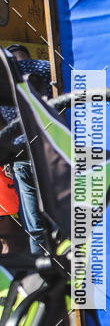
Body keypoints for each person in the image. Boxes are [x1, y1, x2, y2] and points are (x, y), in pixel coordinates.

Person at [0, 45, 51, 255]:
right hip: (47, 154)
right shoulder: (45, 69)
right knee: (57, 215)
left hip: (25, 156)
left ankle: (44, 266)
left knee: (35, 224)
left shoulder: (6, 79)